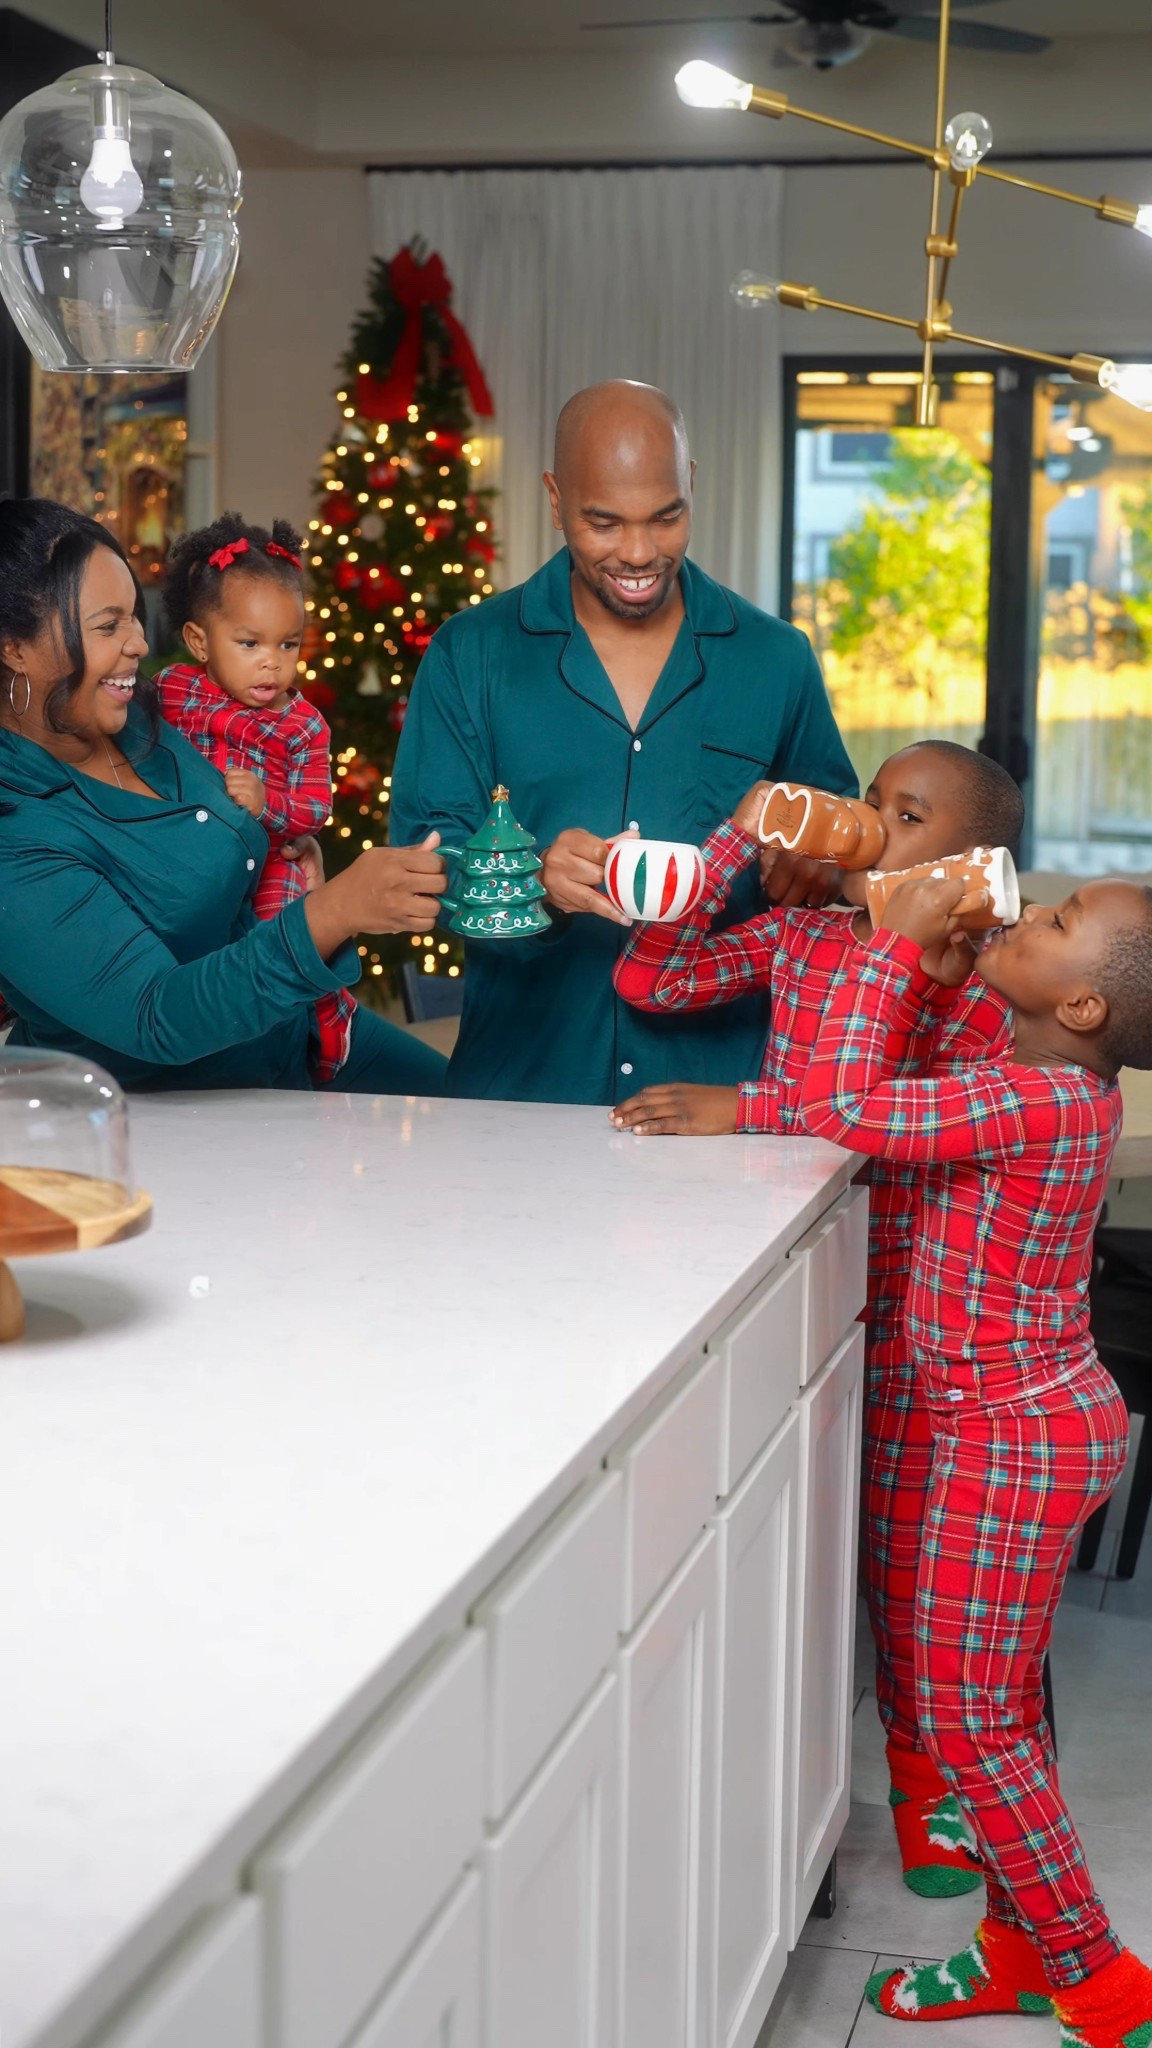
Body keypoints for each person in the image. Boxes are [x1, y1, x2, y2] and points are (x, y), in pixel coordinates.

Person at [613, 739, 1023, 1899]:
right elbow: (654, 982)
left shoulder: (978, 981)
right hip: (784, 1261)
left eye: (902, 816)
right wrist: (744, 836)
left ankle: (925, 1771)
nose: (861, 823)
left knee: (899, 1551)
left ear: (967, 866)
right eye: (870, 800)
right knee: (773, 1523)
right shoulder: (802, 934)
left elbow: (879, 1107)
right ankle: (773, 1773)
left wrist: (743, 1104)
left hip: (903, 1293)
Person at [798, 871, 1152, 2043]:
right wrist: (941, 979)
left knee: (969, 1723)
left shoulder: (1041, 1102)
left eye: (1056, 924)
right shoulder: (1038, 1083)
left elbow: (843, 1103)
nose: (1025, 913)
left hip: (1014, 1436)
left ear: (1087, 1008)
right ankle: (1011, 1945)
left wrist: (891, 949)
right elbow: (915, 1102)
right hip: (1019, 1422)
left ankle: (1100, 1981)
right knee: (997, 1703)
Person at [389, 378, 855, 1104]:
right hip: (522, 1097)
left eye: (665, 517)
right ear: (553, 500)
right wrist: (526, 878)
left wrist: (817, 859)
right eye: (604, 523)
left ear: (691, 486)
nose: (639, 553)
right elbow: (422, 860)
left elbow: (842, 830)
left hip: (721, 1101)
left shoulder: (776, 658)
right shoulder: (469, 655)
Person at [0, 497, 448, 1095]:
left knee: (491, 1124)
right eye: (108, 626)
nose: (137, 643)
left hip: (291, 1038)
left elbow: (237, 819)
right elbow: (156, 1015)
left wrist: (286, 843)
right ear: (13, 646)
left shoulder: (145, 716)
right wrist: (335, 911)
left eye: (134, 618)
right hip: (183, 1110)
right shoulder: (16, 832)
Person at [156, 511, 355, 1085]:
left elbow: (316, 808)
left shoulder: (303, 726)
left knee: (283, 941)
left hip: (271, 860)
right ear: (199, 640)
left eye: (288, 644)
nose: (272, 661)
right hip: (191, 858)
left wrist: (269, 802)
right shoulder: (171, 692)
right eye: (249, 643)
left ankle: (327, 1019)